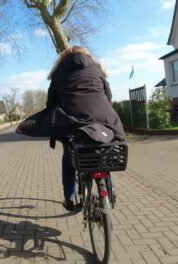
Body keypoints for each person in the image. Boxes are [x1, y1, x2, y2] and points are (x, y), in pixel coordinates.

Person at [45, 46, 125, 211]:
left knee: (69, 156)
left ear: (63, 58)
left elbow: (51, 102)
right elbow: (108, 96)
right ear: (88, 56)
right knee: (103, 153)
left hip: (72, 124)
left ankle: (69, 197)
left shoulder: (59, 73)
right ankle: (108, 189)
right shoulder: (96, 69)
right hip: (103, 121)